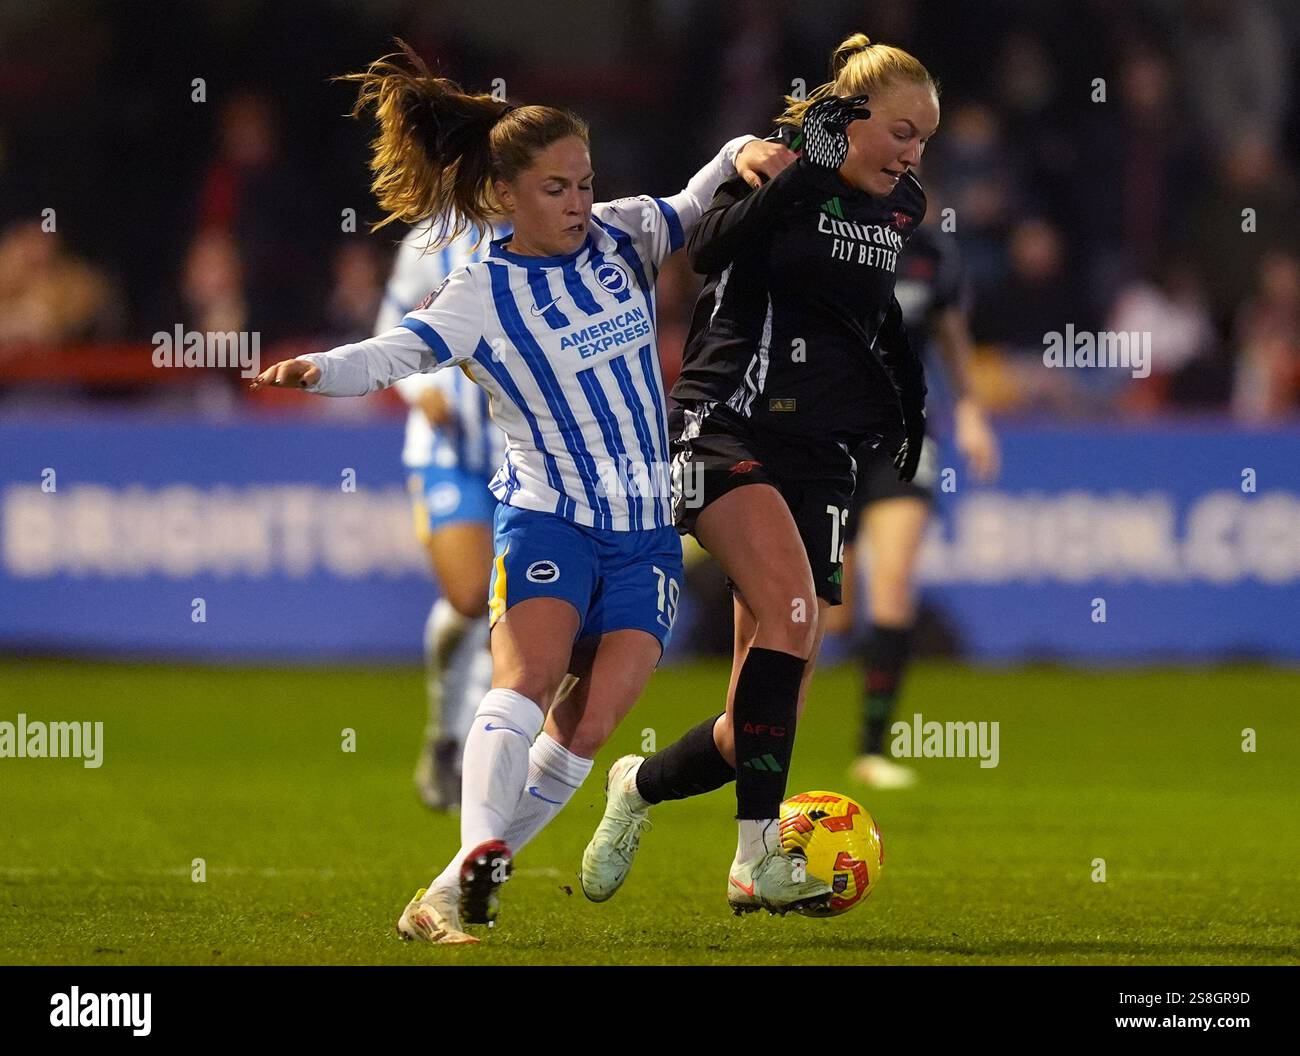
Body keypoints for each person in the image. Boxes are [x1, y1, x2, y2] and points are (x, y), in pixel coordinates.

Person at [251, 43, 788, 943]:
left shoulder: (622, 235)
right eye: (556, 188)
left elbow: (696, 205)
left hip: (645, 531)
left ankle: (449, 892)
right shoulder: (480, 292)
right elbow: (396, 352)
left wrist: (740, 148)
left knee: (589, 726)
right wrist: (317, 368)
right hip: (552, 518)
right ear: (505, 196)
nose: (578, 201)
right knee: (528, 679)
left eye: (583, 181)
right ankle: (478, 853)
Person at [580, 32, 938, 915]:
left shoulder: (902, 209)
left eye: (924, 137)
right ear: (849, 122)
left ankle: (638, 787)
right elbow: (708, 252)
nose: (911, 153)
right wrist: (799, 177)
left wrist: (906, 404)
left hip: (822, 452)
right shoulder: (773, 173)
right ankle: (755, 861)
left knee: (761, 715)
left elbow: (872, 313)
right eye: (899, 130)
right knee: (793, 612)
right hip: (722, 423)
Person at [829, 223, 1000, 789]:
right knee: (834, 613)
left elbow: (951, 335)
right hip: (829, 437)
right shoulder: (829, 233)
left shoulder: (932, 252)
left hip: (904, 437)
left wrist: (972, 412)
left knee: (895, 581)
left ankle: (871, 750)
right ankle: (761, 736)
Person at [378, 219, 503, 811]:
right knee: (472, 595)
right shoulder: (433, 240)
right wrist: (415, 389)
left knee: (511, 608)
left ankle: (465, 751)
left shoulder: (550, 229)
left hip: (527, 455)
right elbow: (391, 325)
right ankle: (445, 733)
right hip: (448, 452)